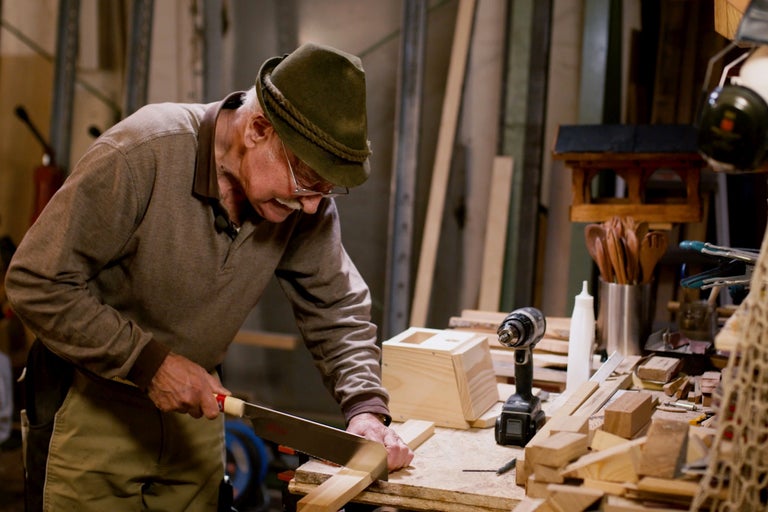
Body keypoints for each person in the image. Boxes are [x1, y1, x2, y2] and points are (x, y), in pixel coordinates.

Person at [4, 41, 413, 511]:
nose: (312, 206)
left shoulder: (304, 202)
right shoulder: (141, 155)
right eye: (305, 183)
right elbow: (36, 281)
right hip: (90, 405)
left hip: (196, 409)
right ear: (258, 129)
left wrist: (364, 408)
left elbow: (336, 306)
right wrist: (150, 363)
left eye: (326, 190)